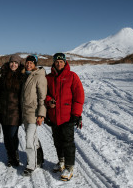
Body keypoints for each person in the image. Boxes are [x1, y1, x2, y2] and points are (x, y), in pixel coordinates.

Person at [45, 52, 85, 181]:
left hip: (68, 116)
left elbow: (79, 96)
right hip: (54, 115)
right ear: (54, 62)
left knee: (67, 142)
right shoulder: (49, 77)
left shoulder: (72, 76)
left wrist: (77, 114)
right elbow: (44, 94)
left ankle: (69, 167)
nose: (59, 63)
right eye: (57, 61)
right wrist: (48, 100)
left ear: (65, 62)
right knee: (57, 141)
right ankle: (61, 161)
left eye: (61, 61)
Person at [20, 54, 47, 176]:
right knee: (34, 138)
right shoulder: (25, 76)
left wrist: (41, 114)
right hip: (25, 113)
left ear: (35, 65)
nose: (28, 64)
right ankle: (40, 159)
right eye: (27, 62)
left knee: (29, 140)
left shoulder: (39, 77)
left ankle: (31, 165)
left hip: (33, 113)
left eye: (31, 63)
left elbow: (42, 98)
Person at [0, 54, 25, 167]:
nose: (13, 64)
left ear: (19, 65)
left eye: (16, 63)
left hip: (15, 110)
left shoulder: (22, 76)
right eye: (12, 62)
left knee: (12, 135)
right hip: (3, 110)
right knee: (6, 136)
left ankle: (15, 154)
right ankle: (10, 156)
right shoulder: (3, 74)